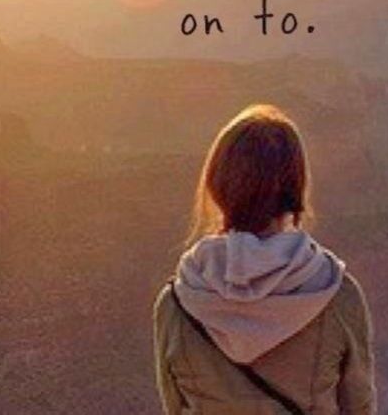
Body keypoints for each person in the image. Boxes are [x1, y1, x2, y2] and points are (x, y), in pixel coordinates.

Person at [153, 103, 376, 414]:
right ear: (294, 187)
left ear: (217, 185)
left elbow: (174, 408)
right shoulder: (336, 296)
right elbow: (359, 407)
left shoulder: (177, 303)